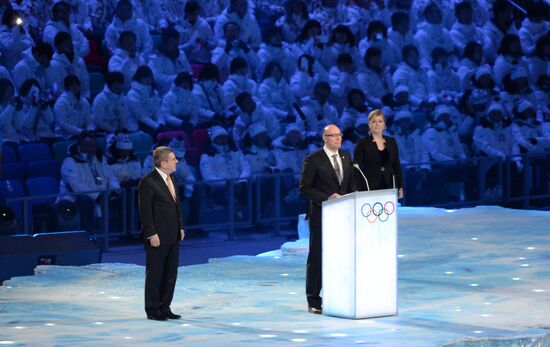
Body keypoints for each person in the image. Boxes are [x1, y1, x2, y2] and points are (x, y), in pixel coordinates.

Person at [299, 124, 355, 314]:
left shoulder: (347, 156)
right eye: (333, 136)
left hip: (344, 214)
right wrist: (327, 198)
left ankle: (338, 294)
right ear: (324, 138)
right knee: (317, 256)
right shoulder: (313, 159)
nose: (338, 139)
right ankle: (313, 299)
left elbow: (350, 183)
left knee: (342, 254)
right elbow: (305, 187)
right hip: (321, 214)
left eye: (340, 135)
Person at [138, 146, 185, 321]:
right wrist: (151, 234)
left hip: (173, 234)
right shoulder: (148, 181)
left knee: (170, 273)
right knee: (156, 273)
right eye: (173, 158)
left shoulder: (171, 179)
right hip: (157, 236)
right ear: (164, 163)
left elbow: (176, 206)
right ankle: (152, 309)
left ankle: (165, 307)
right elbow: (145, 211)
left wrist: (180, 227)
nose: (177, 161)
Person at [353, 109, 404, 198]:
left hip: (389, 185)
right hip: (369, 187)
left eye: (380, 121)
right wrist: (357, 188)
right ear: (369, 125)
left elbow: (396, 166)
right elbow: (357, 168)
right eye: (374, 121)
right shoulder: (362, 143)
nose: (377, 124)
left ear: (384, 124)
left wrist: (400, 186)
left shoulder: (391, 142)